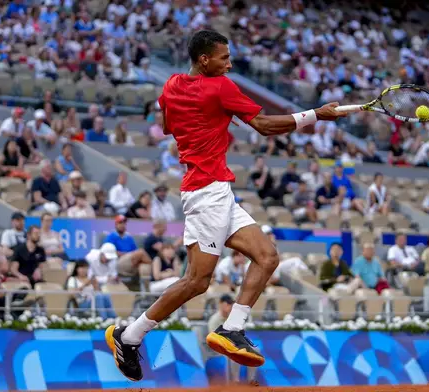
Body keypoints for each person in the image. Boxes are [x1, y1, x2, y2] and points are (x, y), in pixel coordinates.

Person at [104, 29, 347, 381]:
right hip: (207, 192)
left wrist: (211, 117)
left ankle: (232, 328)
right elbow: (263, 126)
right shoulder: (220, 87)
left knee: (267, 256)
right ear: (205, 60)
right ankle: (129, 337)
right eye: (224, 58)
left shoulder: (171, 85)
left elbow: (171, 125)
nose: (230, 64)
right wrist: (316, 116)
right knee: (196, 281)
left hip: (216, 190)